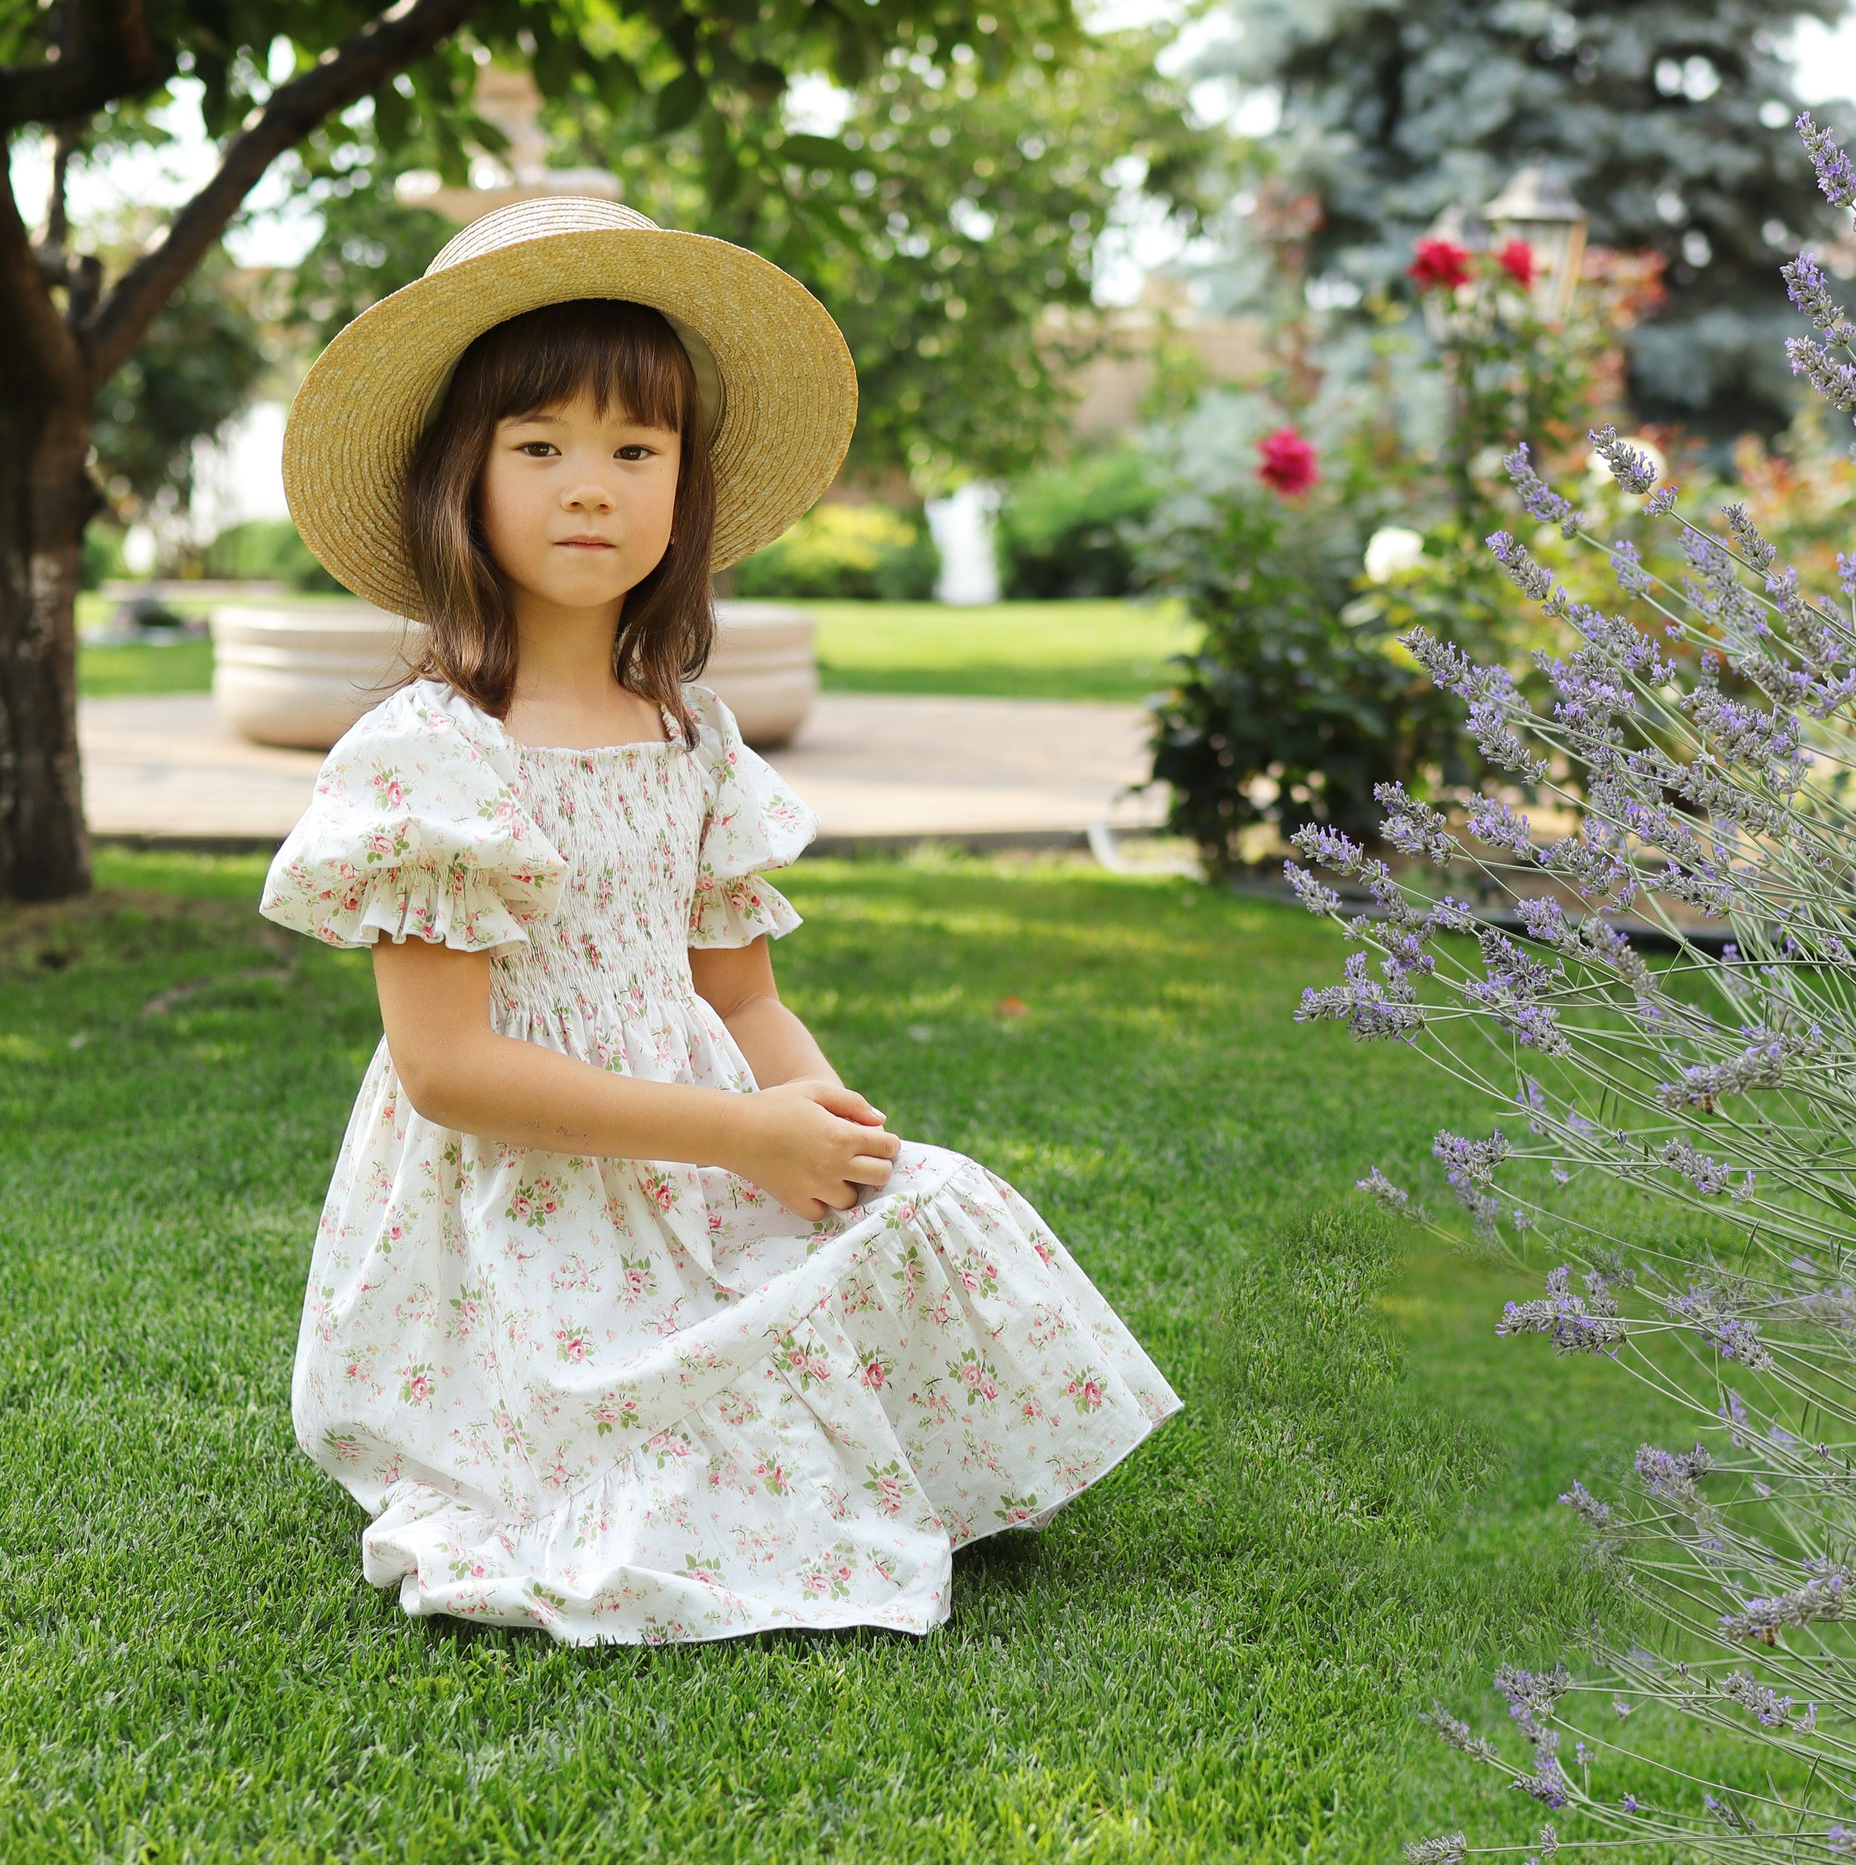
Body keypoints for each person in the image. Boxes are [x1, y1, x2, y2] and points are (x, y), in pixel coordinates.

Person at [262, 198, 1179, 1644]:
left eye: (636, 450)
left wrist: (812, 1116)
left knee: (934, 1200)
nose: (591, 487)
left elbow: (740, 1000)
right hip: (525, 1210)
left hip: (700, 1153)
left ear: (684, 488)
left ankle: (874, 1442)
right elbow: (448, 1071)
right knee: (660, 1419)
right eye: (541, 446)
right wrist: (742, 1134)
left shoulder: (690, 735)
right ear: (464, 477)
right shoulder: (437, 750)